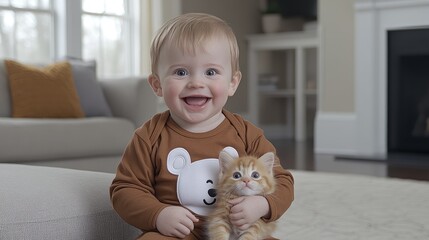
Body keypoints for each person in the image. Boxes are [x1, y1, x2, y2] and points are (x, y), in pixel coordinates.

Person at [110, 13, 294, 240]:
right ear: (157, 84)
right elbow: (124, 190)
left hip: (238, 233)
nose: (196, 83)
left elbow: (283, 181)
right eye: (180, 72)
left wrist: (262, 204)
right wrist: (159, 214)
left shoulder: (246, 133)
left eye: (211, 72)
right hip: (177, 235)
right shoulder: (149, 136)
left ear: (232, 83)